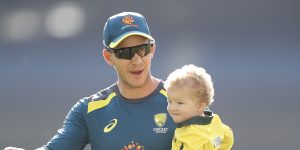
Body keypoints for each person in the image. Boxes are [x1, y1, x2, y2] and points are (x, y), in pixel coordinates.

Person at [5, 12, 176, 150]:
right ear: (108, 57)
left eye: (142, 49)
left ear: (152, 49)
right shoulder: (89, 111)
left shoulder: (183, 100)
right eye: (125, 52)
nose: (137, 60)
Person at [164, 64, 234, 150]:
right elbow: (228, 137)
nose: (172, 107)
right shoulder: (214, 121)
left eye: (180, 103)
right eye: (170, 101)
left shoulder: (190, 133)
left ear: (200, 106)